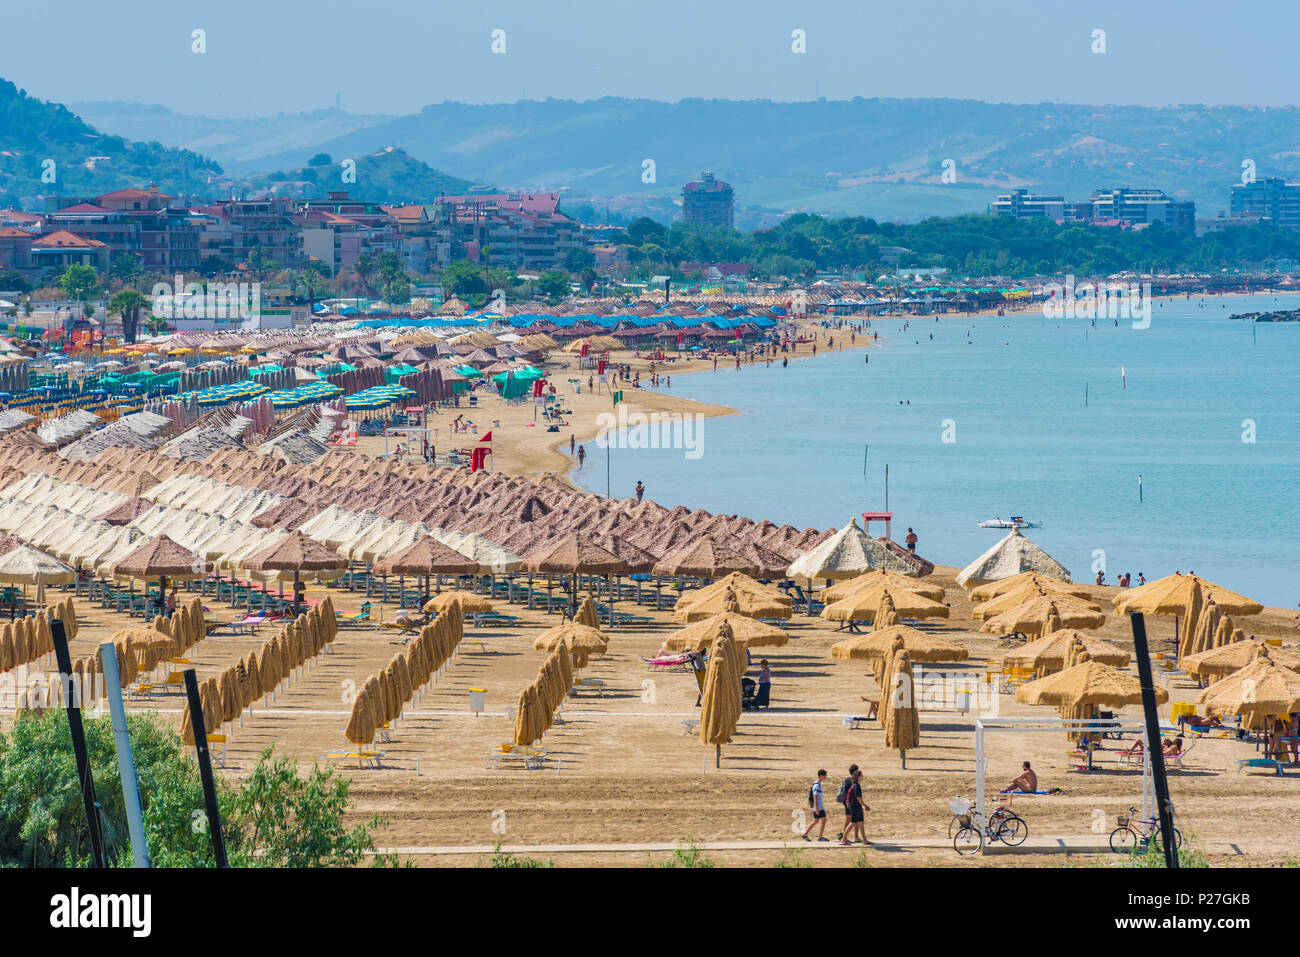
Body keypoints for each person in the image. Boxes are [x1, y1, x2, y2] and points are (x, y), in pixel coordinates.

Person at [802, 769, 829, 841]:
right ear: (820, 776)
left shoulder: (818, 783)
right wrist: (816, 807)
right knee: (823, 820)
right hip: (818, 807)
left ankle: (805, 834)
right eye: (824, 776)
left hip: (818, 806)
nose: (825, 777)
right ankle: (820, 837)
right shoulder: (817, 785)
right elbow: (815, 796)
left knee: (816, 821)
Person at [837, 764, 858, 842]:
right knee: (850, 820)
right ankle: (843, 837)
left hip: (846, 802)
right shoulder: (853, 781)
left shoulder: (846, 780)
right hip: (850, 803)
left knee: (849, 820)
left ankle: (844, 836)